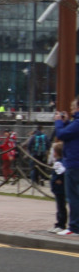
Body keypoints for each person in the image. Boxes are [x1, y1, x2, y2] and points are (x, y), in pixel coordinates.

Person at [53, 100, 79, 235]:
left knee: (73, 196)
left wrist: (58, 122)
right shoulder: (75, 124)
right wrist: (67, 122)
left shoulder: (77, 123)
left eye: (73, 107)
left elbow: (61, 135)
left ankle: (74, 227)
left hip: (74, 164)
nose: (72, 110)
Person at [50, 141, 70, 235]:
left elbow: (59, 174)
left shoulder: (59, 163)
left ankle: (61, 225)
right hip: (59, 189)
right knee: (61, 207)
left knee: (61, 207)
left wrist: (57, 180)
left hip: (59, 189)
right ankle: (59, 224)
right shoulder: (62, 162)